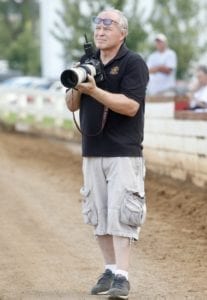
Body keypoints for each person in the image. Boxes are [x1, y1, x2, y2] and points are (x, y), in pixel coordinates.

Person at [65, 8, 149, 299]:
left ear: (122, 32)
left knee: (121, 213)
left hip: (123, 151)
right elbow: (71, 106)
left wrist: (95, 91)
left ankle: (123, 276)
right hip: (93, 150)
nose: (100, 30)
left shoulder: (133, 63)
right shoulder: (87, 62)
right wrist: (76, 83)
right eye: (97, 25)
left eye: (108, 25)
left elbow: (130, 106)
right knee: (98, 213)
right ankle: (110, 269)